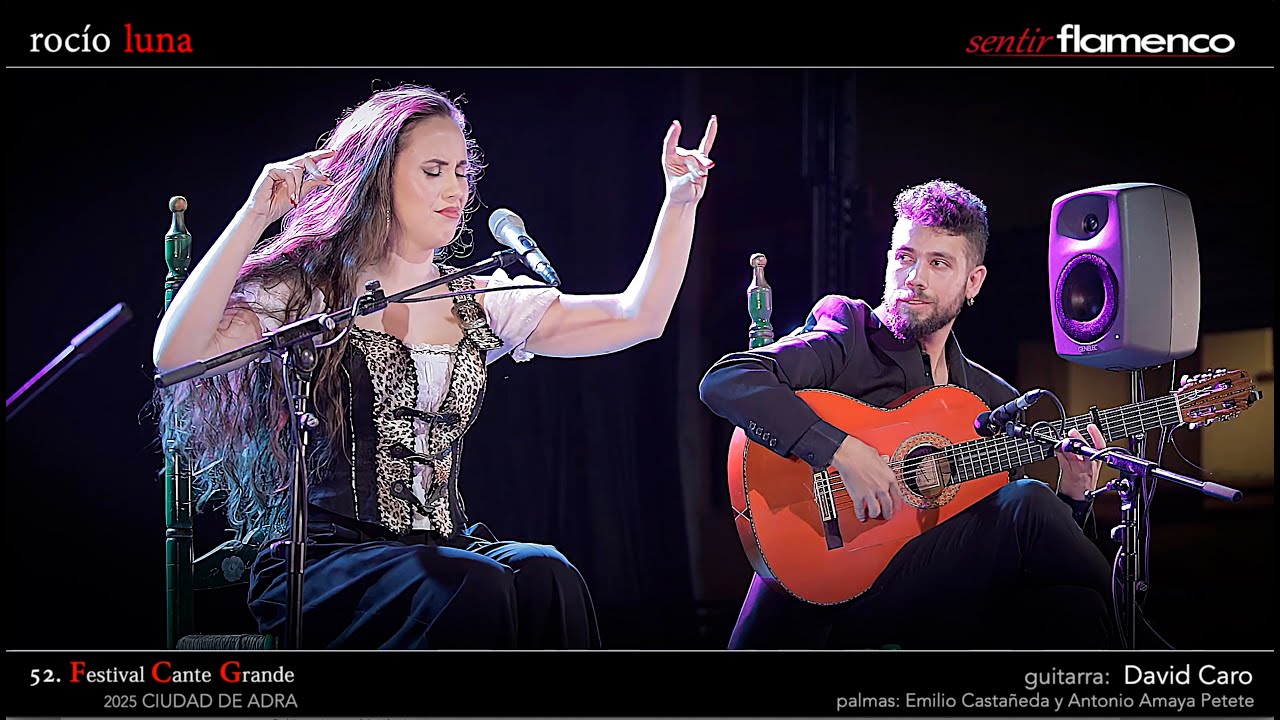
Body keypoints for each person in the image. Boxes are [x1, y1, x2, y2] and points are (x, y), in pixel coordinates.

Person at [153, 83, 717, 649]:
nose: (456, 188)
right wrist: (256, 215)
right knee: (470, 582)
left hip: (444, 553)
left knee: (548, 573)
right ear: (377, 178)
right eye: (434, 170)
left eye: (462, 172)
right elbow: (177, 355)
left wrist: (680, 203)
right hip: (329, 564)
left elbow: (638, 317)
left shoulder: (478, 300)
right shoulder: (308, 293)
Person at [698, 179, 1118, 650]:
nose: (914, 276)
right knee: (1028, 502)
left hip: (928, 597)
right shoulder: (849, 334)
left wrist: (1075, 495)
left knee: (1074, 603)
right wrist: (841, 451)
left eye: (938, 263)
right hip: (826, 589)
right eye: (904, 257)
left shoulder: (989, 400)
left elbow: (1019, 548)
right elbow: (728, 380)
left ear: (973, 282)